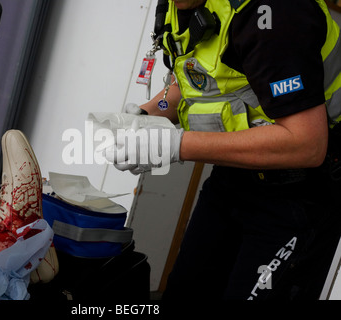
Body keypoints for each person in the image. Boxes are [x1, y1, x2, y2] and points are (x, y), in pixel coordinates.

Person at [108, 0, 341, 300]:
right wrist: (146, 116)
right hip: (235, 177)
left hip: (302, 193)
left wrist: (175, 145)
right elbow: (188, 83)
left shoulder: (276, 12)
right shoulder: (176, 6)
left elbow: (307, 144)